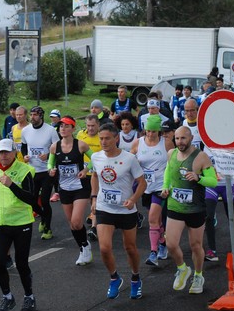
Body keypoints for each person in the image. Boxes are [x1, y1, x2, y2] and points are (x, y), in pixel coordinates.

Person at [0, 138, 38, 311]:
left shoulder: (25, 171)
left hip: (21, 223)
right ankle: (7, 296)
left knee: (22, 264)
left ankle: (29, 296)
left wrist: (12, 185)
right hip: (1, 223)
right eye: (1, 152)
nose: (3, 156)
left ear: (15, 153)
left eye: (7, 152)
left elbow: (31, 199)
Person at [91, 123, 146, 300]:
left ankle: (136, 277)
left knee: (129, 248)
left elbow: (142, 182)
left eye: (107, 138)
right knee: (104, 248)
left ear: (116, 138)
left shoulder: (129, 158)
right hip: (104, 207)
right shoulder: (96, 157)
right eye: (101, 138)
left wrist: (133, 199)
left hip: (125, 210)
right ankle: (114, 277)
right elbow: (94, 175)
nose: (103, 142)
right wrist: (93, 197)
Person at [162, 126, 217, 294]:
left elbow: (213, 181)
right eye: (177, 139)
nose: (180, 142)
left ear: (191, 138)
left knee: (195, 245)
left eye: (183, 138)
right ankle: (183, 268)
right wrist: (165, 187)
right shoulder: (171, 153)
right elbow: (168, 172)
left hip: (195, 208)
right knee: (171, 243)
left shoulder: (201, 157)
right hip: (175, 205)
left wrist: (199, 178)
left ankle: (198, 275)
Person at [48, 116, 93, 265]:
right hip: (64, 187)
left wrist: (86, 169)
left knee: (76, 220)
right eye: (61, 126)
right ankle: (83, 247)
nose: (63, 129)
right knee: (72, 224)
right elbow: (50, 162)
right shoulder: (55, 146)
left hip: (80, 187)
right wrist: (51, 170)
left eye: (67, 126)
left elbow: (95, 159)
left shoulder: (81, 145)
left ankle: (84, 247)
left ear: (73, 129)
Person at [131, 114, 174, 267]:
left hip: (161, 187)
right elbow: (131, 163)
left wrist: (169, 186)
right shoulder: (138, 143)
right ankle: (162, 242)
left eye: (153, 132)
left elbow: (173, 165)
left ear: (159, 132)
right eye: (147, 131)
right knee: (156, 220)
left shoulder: (167, 144)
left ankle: (153, 253)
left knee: (152, 218)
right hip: (145, 187)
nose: (150, 134)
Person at [21, 106, 59, 240]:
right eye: (31, 114)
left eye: (35, 115)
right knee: (31, 200)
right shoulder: (25, 131)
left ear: (41, 116)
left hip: (47, 171)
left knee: (44, 200)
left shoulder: (50, 131)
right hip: (32, 170)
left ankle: (48, 229)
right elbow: (24, 147)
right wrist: (25, 155)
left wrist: (48, 155)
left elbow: (58, 149)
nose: (32, 117)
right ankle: (43, 217)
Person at [77, 114, 102, 241]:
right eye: (88, 126)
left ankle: (94, 228)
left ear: (98, 125)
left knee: (95, 199)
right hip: (84, 173)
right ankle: (94, 216)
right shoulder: (81, 135)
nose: (90, 128)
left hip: (97, 174)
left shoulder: (102, 136)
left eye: (93, 126)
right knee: (87, 199)